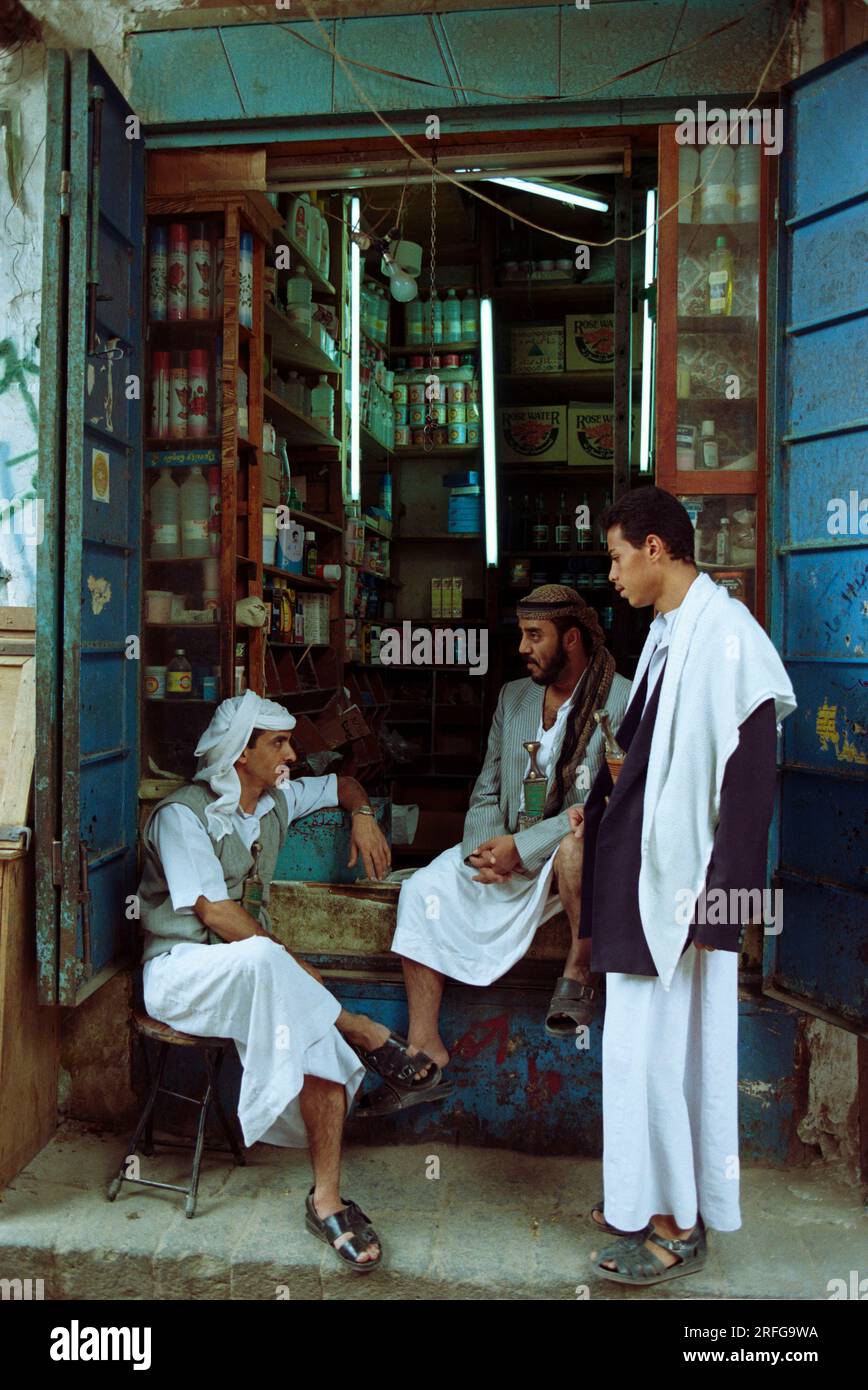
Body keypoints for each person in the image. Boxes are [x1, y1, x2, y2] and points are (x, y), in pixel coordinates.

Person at [571, 488, 795, 1287]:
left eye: (617, 555)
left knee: (670, 1061)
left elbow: (749, 783)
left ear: (658, 549)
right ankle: (639, 1199)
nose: (612, 572)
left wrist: (723, 910)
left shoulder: (728, 637)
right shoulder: (668, 633)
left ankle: (679, 1224)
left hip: (689, 897)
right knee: (635, 1056)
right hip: (645, 880)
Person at [137, 691, 436, 1273]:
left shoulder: (274, 801)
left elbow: (344, 784)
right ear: (240, 752)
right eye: (278, 743)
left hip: (254, 976)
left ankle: (326, 1198)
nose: (292, 755)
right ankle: (366, 1031)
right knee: (271, 964)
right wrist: (295, 966)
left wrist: (364, 816)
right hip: (178, 975)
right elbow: (215, 912)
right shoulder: (182, 816)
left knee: (308, 1028)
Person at [380, 586, 631, 1116]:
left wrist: (522, 848)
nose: (522, 646)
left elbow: (597, 807)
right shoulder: (513, 697)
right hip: (501, 850)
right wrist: (484, 853)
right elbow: (489, 786)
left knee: (576, 847)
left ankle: (580, 971)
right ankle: (426, 1046)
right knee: (423, 889)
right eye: (521, 634)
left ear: (572, 639)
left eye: (534, 636)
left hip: (562, 854)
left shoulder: (622, 701)